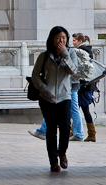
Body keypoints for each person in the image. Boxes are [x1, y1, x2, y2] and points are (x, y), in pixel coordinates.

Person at [31, 26, 87, 172]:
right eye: (57, 38)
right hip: (47, 97)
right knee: (50, 130)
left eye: (63, 38)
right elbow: (35, 76)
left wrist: (64, 54)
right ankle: (53, 161)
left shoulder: (71, 53)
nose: (61, 41)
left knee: (65, 127)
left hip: (65, 96)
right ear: (52, 39)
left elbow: (73, 71)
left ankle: (62, 153)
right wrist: (44, 89)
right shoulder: (44, 56)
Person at [72, 33, 98, 142]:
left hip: (84, 86)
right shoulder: (87, 50)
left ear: (80, 41)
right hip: (87, 85)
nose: (73, 42)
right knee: (78, 109)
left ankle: (90, 134)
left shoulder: (81, 51)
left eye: (74, 40)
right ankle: (79, 132)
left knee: (81, 109)